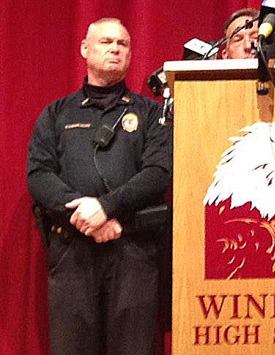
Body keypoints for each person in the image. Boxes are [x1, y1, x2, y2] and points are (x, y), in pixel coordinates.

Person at [27, 18, 172, 355]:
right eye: (106, 42)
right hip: (71, 252)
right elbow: (39, 175)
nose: (115, 49)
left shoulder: (151, 114)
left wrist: (106, 207)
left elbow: (159, 172)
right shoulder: (57, 114)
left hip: (133, 251)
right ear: (85, 49)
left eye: (123, 44)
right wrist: (84, 211)